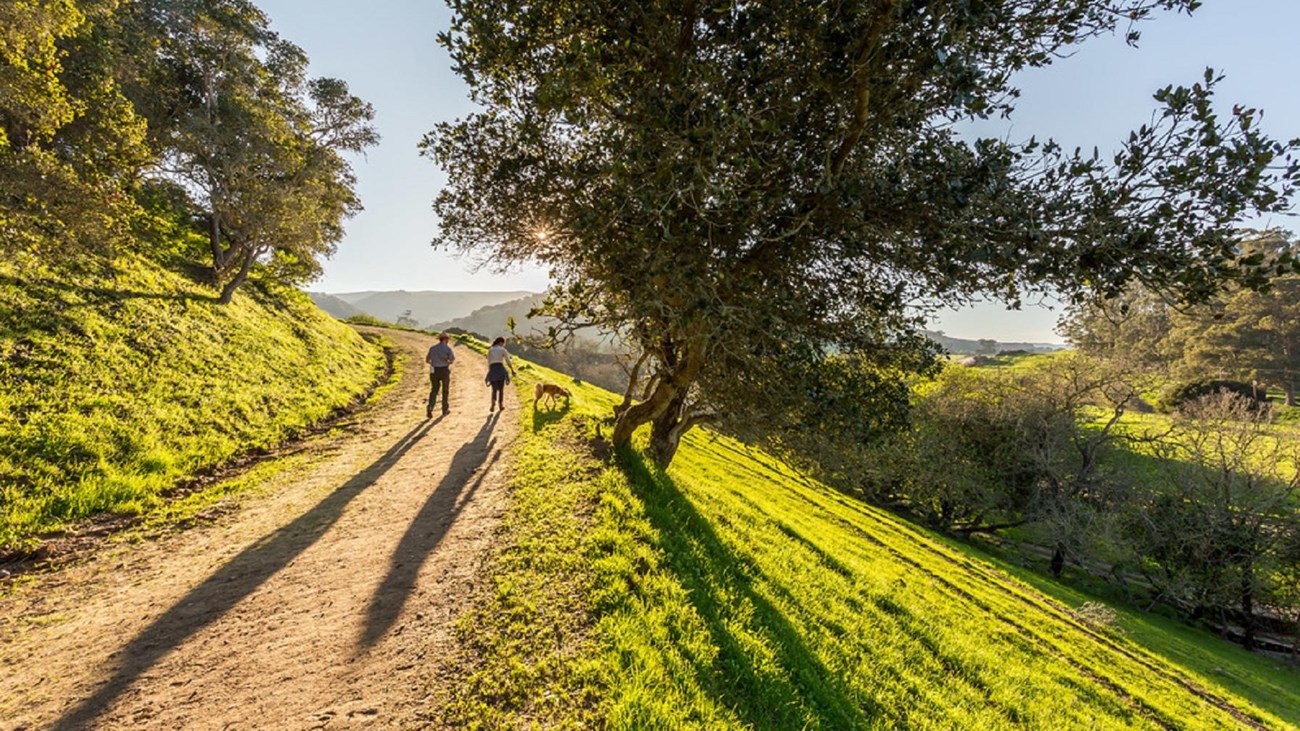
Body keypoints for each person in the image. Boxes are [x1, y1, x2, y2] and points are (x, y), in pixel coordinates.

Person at [426, 333, 455, 418]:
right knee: (445, 389)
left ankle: (430, 407)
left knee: (434, 389)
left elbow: (427, 360)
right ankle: (444, 409)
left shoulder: (432, 348)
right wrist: (447, 362)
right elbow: (452, 360)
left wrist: (434, 363)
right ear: (446, 340)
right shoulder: (447, 349)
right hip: (444, 370)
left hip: (434, 370)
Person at [485, 336, 516, 412]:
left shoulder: (490, 350)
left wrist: (490, 372)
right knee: (501, 389)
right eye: (503, 343)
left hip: (493, 369)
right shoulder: (502, 350)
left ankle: (493, 402)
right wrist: (512, 369)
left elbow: (489, 362)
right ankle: (501, 404)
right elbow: (508, 360)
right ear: (501, 342)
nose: (503, 345)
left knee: (494, 389)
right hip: (500, 369)